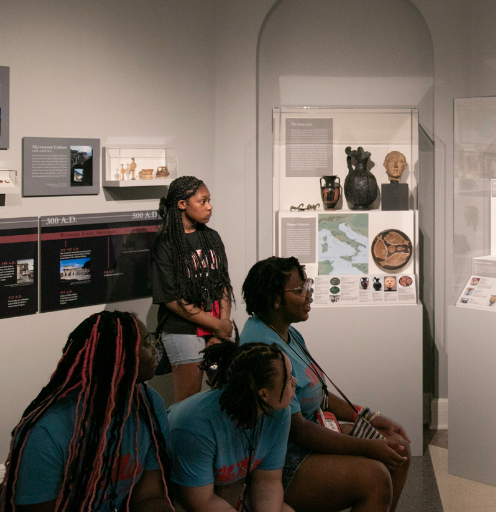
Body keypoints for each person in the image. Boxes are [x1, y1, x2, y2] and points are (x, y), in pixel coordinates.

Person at [240, 256, 411, 512]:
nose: (309, 295)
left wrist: (368, 416)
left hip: (311, 431)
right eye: (300, 290)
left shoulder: (287, 331)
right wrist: (370, 447)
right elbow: (297, 430)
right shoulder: (265, 348)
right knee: (375, 478)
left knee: (400, 449)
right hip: (280, 458)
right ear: (275, 298)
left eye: (307, 285)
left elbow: (319, 394)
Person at [0, 311, 173, 512]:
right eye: (146, 344)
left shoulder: (149, 403)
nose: (154, 350)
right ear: (121, 358)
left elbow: (149, 496)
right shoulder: (47, 430)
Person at [167, 342, 294, 512]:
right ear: (263, 394)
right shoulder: (194, 424)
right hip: (178, 493)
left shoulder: (278, 412)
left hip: (227, 488)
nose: (295, 382)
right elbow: (201, 502)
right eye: (288, 379)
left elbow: (267, 481)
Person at [151, 175, 235, 403]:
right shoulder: (166, 244)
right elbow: (171, 298)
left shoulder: (212, 237)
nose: (210, 207)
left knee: (228, 394)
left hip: (218, 326)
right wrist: (217, 325)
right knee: (188, 400)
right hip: (183, 329)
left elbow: (223, 284)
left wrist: (223, 324)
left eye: (209, 201)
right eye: (203, 201)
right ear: (182, 204)